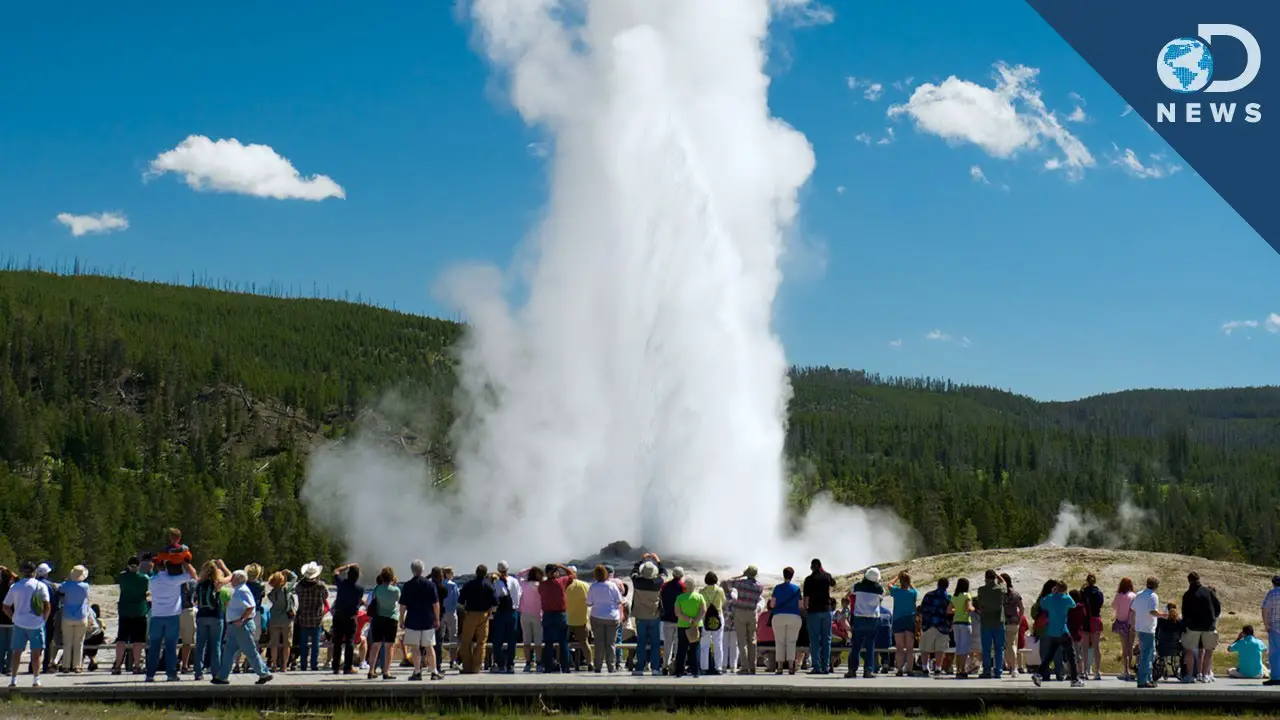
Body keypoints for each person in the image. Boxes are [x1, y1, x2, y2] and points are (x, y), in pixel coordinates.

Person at [211, 569, 273, 685]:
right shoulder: (238, 590)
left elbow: (250, 606)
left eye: (233, 576)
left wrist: (242, 620)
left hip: (242, 626)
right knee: (228, 652)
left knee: (250, 651)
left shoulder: (242, 590)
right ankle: (222, 677)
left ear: (239, 579)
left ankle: (264, 673)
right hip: (235, 626)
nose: (231, 579)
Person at [147, 559, 198, 682]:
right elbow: (193, 574)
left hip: (156, 615)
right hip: (172, 616)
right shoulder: (174, 580)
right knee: (171, 646)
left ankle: (150, 674)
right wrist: (185, 562)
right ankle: (171, 674)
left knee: (154, 646)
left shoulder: (152, 581)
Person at [3, 561, 51, 688]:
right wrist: (43, 620)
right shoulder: (40, 586)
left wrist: (14, 617)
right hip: (36, 623)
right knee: (36, 653)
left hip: (19, 623)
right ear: (34, 572)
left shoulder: (15, 587)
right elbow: (47, 605)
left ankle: (13, 679)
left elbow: (6, 606)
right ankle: (36, 679)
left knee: (16, 652)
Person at [1031, 581, 1083, 688]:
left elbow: (1042, 603)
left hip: (1052, 631)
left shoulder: (1049, 598)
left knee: (1049, 655)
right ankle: (1074, 679)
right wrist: (1066, 594)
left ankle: (1038, 674)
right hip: (1062, 631)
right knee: (1071, 656)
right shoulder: (1065, 598)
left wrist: (1052, 594)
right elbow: (1073, 604)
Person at [399, 559, 442, 681]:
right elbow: (436, 604)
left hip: (412, 620)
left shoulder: (407, 586)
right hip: (428, 620)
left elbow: (403, 606)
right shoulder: (430, 585)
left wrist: (401, 620)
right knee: (429, 647)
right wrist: (437, 619)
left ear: (412, 570)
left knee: (415, 648)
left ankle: (417, 672)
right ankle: (434, 671)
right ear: (423, 570)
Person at [193, 559, 231, 681]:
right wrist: (223, 566)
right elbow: (231, 576)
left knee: (200, 645)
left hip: (201, 616)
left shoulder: (199, 583)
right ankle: (215, 672)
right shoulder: (217, 582)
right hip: (215, 616)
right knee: (216, 645)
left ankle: (198, 672)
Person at [1180, 571, 1221, 684]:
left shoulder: (1187, 594)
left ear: (1189, 581)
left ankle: (1189, 675)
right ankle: (1205, 674)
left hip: (1193, 626)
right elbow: (1217, 606)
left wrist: (1186, 624)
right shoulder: (1208, 591)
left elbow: (1184, 612)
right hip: (1208, 625)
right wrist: (1213, 617)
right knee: (1208, 651)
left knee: (1189, 650)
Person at [112, 556, 149, 675]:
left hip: (125, 611)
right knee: (138, 641)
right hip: (139, 611)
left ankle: (118, 665)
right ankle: (136, 665)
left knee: (121, 639)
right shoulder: (144, 578)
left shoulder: (123, 577)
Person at [845, 566, 884, 679]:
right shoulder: (879, 589)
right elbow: (882, 597)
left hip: (859, 617)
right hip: (873, 618)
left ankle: (852, 670)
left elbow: (851, 590)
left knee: (856, 645)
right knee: (870, 645)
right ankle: (868, 670)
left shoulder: (857, 586)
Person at [457, 564, 495, 675]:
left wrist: (466, 611)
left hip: (470, 614)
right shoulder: (489, 586)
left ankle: (467, 667)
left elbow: (460, 601)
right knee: (481, 642)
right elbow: (495, 603)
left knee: (466, 641)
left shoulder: (468, 585)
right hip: (483, 615)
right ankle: (476, 667)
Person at [538, 564, 576, 674]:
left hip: (547, 615)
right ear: (555, 572)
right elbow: (573, 575)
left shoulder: (542, 585)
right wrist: (562, 566)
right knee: (563, 642)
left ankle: (548, 667)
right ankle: (565, 667)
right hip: (560, 615)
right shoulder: (561, 582)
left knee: (548, 643)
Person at [586, 564, 623, 673]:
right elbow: (619, 601)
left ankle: (598, 666)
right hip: (612, 617)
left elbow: (589, 603)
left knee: (599, 643)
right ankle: (611, 667)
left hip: (597, 616)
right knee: (611, 643)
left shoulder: (593, 586)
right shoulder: (612, 586)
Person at [629, 559, 664, 676]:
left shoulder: (637, 581)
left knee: (641, 642)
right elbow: (664, 573)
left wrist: (640, 560)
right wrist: (658, 562)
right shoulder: (658, 582)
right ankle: (655, 668)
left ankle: (639, 668)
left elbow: (633, 572)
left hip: (640, 616)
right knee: (655, 643)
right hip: (654, 615)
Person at [802, 558, 836, 675]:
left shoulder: (808, 579)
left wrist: (805, 609)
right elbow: (833, 583)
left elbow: (806, 598)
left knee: (814, 640)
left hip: (813, 611)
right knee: (826, 640)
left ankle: (816, 667)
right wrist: (824, 571)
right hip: (826, 611)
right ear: (821, 566)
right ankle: (826, 667)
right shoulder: (827, 576)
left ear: (811, 567)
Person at [367, 566, 402, 679]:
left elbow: (374, 598)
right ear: (392, 578)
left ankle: (371, 670)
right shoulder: (396, 590)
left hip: (378, 618)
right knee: (389, 646)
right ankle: (386, 671)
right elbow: (398, 599)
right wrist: (394, 585)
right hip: (391, 619)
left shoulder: (377, 589)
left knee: (375, 645)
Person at [728, 565, 763, 675]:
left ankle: (745, 666)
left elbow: (729, 581)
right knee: (752, 640)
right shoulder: (759, 586)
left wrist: (742, 575)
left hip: (740, 612)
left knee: (742, 640)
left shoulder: (740, 583)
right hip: (752, 613)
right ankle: (753, 666)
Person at [330, 563, 364, 675]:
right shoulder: (360, 589)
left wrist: (347, 565)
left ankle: (335, 666)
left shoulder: (342, 583)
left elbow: (335, 571)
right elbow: (358, 603)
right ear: (357, 576)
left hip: (338, 615)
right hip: (350, 617)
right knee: (350, 641)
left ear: (348, 574)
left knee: (337, 642)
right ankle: (348, 667)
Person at [769, 566, 803, 676]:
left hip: (779, 616)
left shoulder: (777, 588)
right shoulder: (796, 589)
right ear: (792, 576)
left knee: (779, 641)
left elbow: (772, 604)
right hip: (794, 616)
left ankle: (779, 667)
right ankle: (790, 667)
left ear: (783, 575)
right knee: (791, 641)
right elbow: (800, 605)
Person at [1130, 576, 1163, 689]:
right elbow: (1153, 611)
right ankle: (1143, 680)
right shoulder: (1153, 596)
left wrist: (1133, 624)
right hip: (1148, 629)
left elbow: (1133, 609)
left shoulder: (1139, 594)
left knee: (1147, 654)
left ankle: (1148, 678)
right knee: (1147, 655)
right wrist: (1163, 615)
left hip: (1140, 627)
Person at [294, 562, 328, 672]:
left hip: (303, 617)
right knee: (315, 644)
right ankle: (314, 665)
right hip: (316, 618)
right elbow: (326, 596)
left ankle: (303, 665)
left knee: (303, 643)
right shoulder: (320, 586)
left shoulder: (299, 586)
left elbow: (296, 592)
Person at [490, 561, 522, 674]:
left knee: (497, 640)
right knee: (511, 640)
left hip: (500, 613)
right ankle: (510, 664)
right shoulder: (514, 581)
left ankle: (500, 663)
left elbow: (495, 597)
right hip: (513, 612)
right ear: (508, 569)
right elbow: (519, 595)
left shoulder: (496, 582)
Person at [974, 569, 1007, 679]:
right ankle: (998, 671)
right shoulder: (1000, 589)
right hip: (999, 621)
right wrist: (999, 576)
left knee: (986, 648)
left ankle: (987, 671)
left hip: (986, 622)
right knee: (999, 648)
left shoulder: (981, 590)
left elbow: (979, 604)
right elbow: (1004, 584)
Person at [58, 565, 91, 673]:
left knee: (67, 642)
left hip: (67, 615)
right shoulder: (85, 586)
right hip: (81, 616)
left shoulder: (66, 585)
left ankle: (66, 666)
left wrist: (68, 580)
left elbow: (60, 589)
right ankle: (77, 666)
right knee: (79, 643)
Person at [674, 576, 707, 678]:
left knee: (682, 648)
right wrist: (696, 620)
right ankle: (696, 671)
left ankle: (679, 671)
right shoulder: (699, 597)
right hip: (696, 626)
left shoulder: (680, 597)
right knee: (695, 648)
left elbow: (677, 612)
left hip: (683, 625)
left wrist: (688, 620)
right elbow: (703, 610)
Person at [919, 578, 952, 676]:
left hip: (928, 624)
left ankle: (925, 667)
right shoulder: (949, 597)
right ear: (947, 586)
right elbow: (950, 613)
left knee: (925, 648)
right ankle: (938, 668)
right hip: (942, 626)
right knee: (940, 649)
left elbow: (922, 610)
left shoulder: (928, 595)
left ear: (937, 584)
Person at [265, 570, 297, 673]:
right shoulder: (286, 590)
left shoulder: (271, 594)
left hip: (274, 619)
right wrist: (288, 572)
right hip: (286, 620)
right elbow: (295, 578)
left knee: (274, 643)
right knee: (287, 643)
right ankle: (284, 666)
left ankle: (274, 665)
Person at [888, 571, 919, 677]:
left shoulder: (896, 591)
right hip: (909, 619)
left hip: (898, 620)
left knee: (899, 647)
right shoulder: (913, 593)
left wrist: (897, 576)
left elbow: (889, 584)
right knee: (910, 648)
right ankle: (910, 669)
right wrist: (909, 582)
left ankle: (900, 669)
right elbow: (914, 590)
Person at [698, 572, 727, 675]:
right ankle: (718, 667)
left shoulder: (702, 591)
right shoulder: (720, 590)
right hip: (718, 616)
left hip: (705, 618)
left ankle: (704, 667)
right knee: (718, 643)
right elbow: (723, 602)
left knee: (704, 644)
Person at [659, 566, 687, 673]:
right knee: (678, 643)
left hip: (667, 618)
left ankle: (665, 665)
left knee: (667, 643)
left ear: (673, 574)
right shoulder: (683, 587)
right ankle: (676, 664)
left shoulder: (665, 585)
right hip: (679, 619)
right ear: (681, 575)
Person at [565, 567, 592, 671]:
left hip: (567, 619)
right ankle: (590, 662)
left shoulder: (563, 585)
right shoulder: (584, 585)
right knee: (584, 643)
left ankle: (564, 662)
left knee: (563, 642)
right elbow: (590, 602)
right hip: (581, 619)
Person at [518, 566, 544, 673]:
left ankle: (528, 663)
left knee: (526, 640)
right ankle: (538, 663)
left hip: (525, 614)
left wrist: (528, 569)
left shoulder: (524, 585)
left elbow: (518, 575)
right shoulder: (541, 585)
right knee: (538, 640)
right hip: (538, 615)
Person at [1080, 573, 1105, 681]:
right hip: (1096, 619)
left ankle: (1085, 671)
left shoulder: (1083, 593)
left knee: (1084, 647)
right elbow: (1100, 605)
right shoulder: (1099, 593)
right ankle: (1097, 671)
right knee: (1096, 647)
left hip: (1085, 621)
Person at [1111, 577, 1136, 681]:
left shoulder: (1119, 596)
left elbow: (1113, 606)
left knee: (1124, 648)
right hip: (1131, 623)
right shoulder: (1134, 596)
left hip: (1121, 623)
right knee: (1130, 647)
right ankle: (1130, 668)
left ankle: (1125, 670)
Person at [1000, 573, 1024, 679]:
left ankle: (1009, 666)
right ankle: (1014, 668)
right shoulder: (1015, 593)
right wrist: (1019, 619)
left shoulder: (1000, 594)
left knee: (1004, 645)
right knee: (1012, 644)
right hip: (1013, 621)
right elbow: (1022, 608)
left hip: (1002, 621)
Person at [950, 578, 975, 679]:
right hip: (965, 622)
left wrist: (957, 610)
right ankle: (962, 669)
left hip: (956, 622)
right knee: (964, 647)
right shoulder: (967, 595)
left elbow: (949, 609)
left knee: (959, 647)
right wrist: (974, 608)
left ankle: (958, 669)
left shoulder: (954, 597)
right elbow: (968, 608)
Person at [1263, 574, 1280, 687]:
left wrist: (1266, 624)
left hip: (1274, 627)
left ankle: (1275, 677)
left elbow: (1264, 608)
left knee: (1274, 653)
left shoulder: (1271, 593)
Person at [0, 565, 14, 675]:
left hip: (0, 621)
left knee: (1, 646)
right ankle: (9, 667)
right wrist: (7, 569)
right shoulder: (13, 588)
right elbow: (18, 578)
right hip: (11, 620)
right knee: (10, 646)